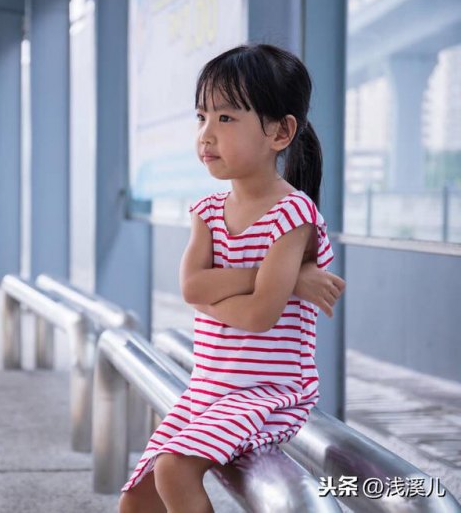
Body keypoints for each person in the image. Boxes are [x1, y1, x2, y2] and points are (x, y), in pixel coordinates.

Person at [119, 43, 347, 513]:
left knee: (175, 469)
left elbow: (260, 315)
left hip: (270, 393)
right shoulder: (207, 211)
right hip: (210, 385)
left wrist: (235, 288)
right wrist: (272, 277)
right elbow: (190, 289)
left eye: (225, 119)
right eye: (201, 117)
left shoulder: (293, 212)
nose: (206, 134)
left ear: (280, 132)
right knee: (136, 502)